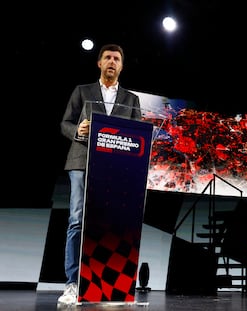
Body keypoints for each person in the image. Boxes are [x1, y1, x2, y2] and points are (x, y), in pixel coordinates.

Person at [58, 43, 142, 305]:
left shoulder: (131, 99)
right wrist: (78, 132)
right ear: (99, 63)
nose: (111, 62)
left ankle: (108, 285)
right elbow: (65, 123)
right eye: (107, 57)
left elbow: (138, 134)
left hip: (115, 168)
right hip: (82, 162)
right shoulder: (82, 91)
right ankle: (72, 284)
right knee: (76, 221)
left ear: (122, 65)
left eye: (116, 58)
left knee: (111, 224)